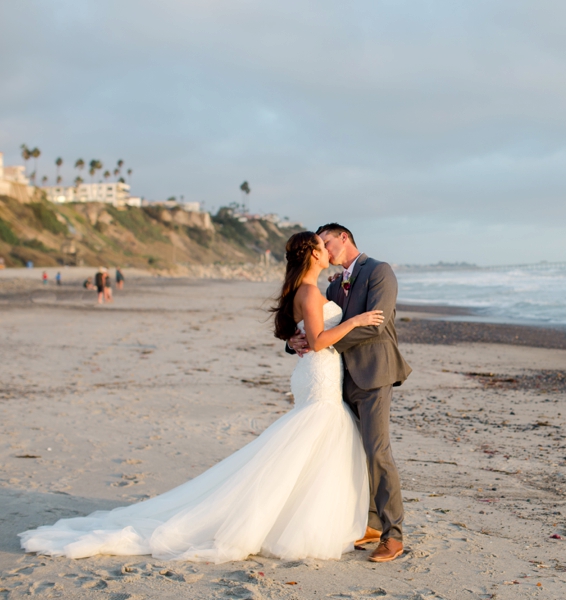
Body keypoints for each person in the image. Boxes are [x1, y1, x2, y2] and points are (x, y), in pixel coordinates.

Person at [19, 231, 384, 562]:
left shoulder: (309, 290)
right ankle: (293, 523)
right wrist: (355, 320)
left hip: (317, 374)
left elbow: (305, 333)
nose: (327, 250)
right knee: (309, 440)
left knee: (309, 445)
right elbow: (319, 340)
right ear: (312, 256)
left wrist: (300, 336)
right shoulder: (308, 291)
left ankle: (297, 517)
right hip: (318, 375)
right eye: (321, 247)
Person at [287, 223, 411, 563]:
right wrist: (295, 341)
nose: (325, 252)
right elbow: (316, 326)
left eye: (327, 242)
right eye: (320, 247)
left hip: (374, 374)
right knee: (354, 452)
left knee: (377, 451)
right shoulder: (331, 284)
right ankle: (369, 524)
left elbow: (377, 322)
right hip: (340, 379)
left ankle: (394, 534)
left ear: (344, 237)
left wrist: (323, 342)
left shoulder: (379, 271)